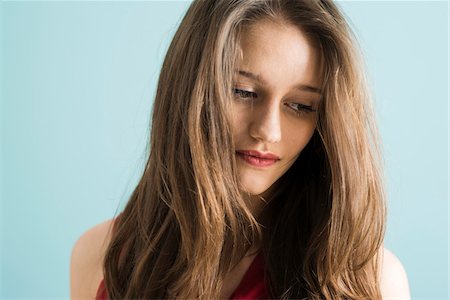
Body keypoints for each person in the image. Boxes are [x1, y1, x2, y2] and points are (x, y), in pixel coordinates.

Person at [70, 0, 411, 299]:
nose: (268, 131)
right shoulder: (100, 255)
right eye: (244, 92)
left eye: (302, 106)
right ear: (190, 89)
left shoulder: (369, 281)